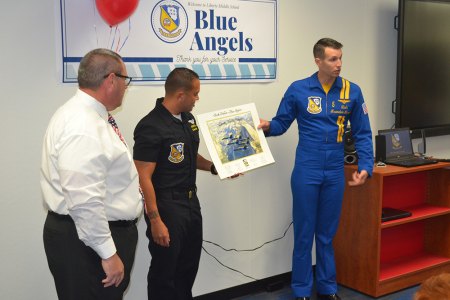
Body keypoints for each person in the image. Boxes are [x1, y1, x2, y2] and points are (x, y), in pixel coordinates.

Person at [259, 38, 374, 300]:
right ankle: (301, 290)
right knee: (304, 233)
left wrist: (366, 166)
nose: (339, 64)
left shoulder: (351, 91)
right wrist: (267, 126)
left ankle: (327, 288)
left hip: (334, 168)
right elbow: (281, 123)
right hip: (307, 167)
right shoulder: (298, 89)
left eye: (341, 58)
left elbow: (363, 133)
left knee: (326, 235)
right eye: (333, 59)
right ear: (318, 61)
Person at [41, 48, 143, 300]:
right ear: (111, 80)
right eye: (125, 81)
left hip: (89, 236)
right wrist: (108, 253)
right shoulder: (83, 125)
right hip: (87, 241)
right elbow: (83, 199)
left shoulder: (87, 115)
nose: (126, 87)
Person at [133, 68, 218, 300]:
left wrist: (213, 166)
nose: (197, 99)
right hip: (167, 207)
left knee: (187, 267)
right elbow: (143, 176)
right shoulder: (150, 126)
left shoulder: (188, 120)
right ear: (181, 95)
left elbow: (191, 155)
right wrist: (155, 219)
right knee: (165, 272)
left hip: (191, 203)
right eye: (195, 94)